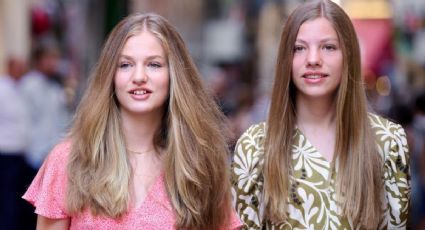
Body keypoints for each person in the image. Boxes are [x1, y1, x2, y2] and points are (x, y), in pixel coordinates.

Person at [23, 13, 241, 229]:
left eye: (153, 64)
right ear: (110, 76)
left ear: (174, 75)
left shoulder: (200, 166)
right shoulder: (69, 161)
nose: (138, 76)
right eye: (125, 64)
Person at [231, 0, 410, 229]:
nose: (313, 59)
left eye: (328, 47)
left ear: (348, 55)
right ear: (286, 59)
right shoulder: (255, 146)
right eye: (299, 48)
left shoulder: (388, 141)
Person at [20, 40, 71, 171]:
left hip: (51, 154)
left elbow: (60, 119)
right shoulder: (29, 84)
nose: (54, 63)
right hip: (33, 155)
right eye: (50, 58)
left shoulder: (54, 86)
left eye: (56, 58)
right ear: (39, 60)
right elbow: (24, 121)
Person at [0, 57, 31, 230]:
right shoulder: (2, 89)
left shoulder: (20, 88)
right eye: (18, 67)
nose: (21, 71)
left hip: (19, 152)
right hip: (5, 152)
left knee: (16, 198)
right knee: (7, 198)